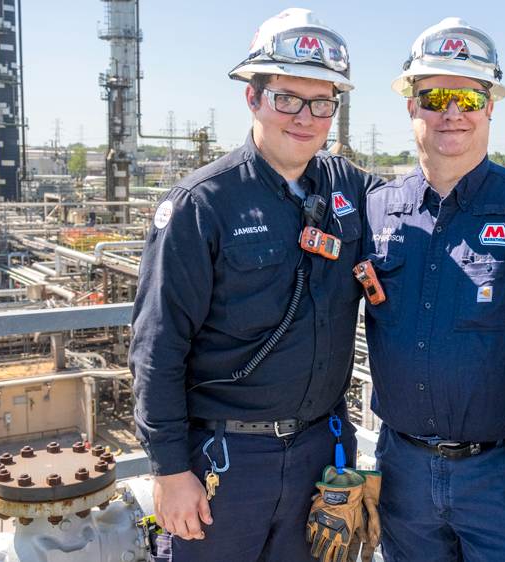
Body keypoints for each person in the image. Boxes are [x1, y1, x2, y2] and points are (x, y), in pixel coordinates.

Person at [129, 9, 381, 560]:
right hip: (224, 461)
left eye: (322, 103)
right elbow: (157, 346)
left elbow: (428, 206)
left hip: (322, 453)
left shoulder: (350, 190)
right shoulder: (203, 204)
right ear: (253, 98)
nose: (305, 117)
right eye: (287, 98)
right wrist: (170, 470)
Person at [360, 18, 505, 562]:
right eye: (435, 97)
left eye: (468, 98)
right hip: (403, 470)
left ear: (490, 108)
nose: (452, 113)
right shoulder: (378, 209)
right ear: (411, 105)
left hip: (502, 473)